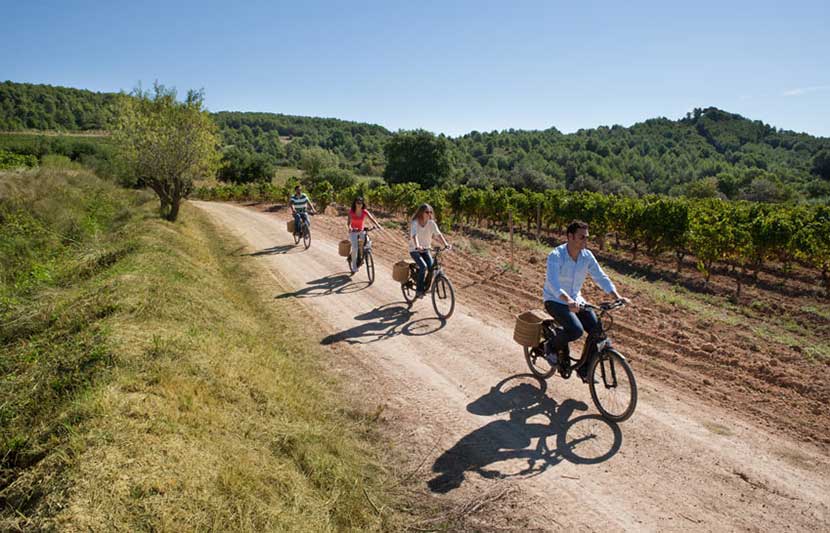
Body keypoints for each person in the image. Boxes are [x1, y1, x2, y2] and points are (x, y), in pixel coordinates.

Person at [543, 220, 629, 372]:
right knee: (576, 330)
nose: (586, 240)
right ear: (570, 236)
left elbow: (600, 277)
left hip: (576, 300)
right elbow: (553, 284)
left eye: (587, 237)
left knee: (598, 332)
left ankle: (584, 370)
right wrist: (568, 300)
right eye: (582, 237)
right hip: (555, 300)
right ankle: (550, 346)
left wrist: (617, 296)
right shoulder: (556, 255)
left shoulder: (586, 256)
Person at [409, 203, 451, 297]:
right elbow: (414, 235)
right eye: (427, 212)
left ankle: (425, 285)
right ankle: (419, 290)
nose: (429, 214)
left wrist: (446, 244)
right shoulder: (415, 222)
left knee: (431, 267)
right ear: (421, 212)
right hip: (415, 250)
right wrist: (418, 245)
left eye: (430, 212)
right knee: (423, 266)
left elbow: (438, 234)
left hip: (426, 249)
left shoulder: (431, 223)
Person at [347, 196, 380, 274]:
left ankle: (363, 257)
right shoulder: (351, 212)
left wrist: (377, 225)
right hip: (354, 232)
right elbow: (348, 223)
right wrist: (350, 228)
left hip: (361, 231)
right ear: (355, 203)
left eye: (360, 203)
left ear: (362, 204)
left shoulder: (364, 211)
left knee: (367, 244)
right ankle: (354, 266)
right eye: (357, 203)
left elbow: (372, 219)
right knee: (355, 248)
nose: (359, 204)